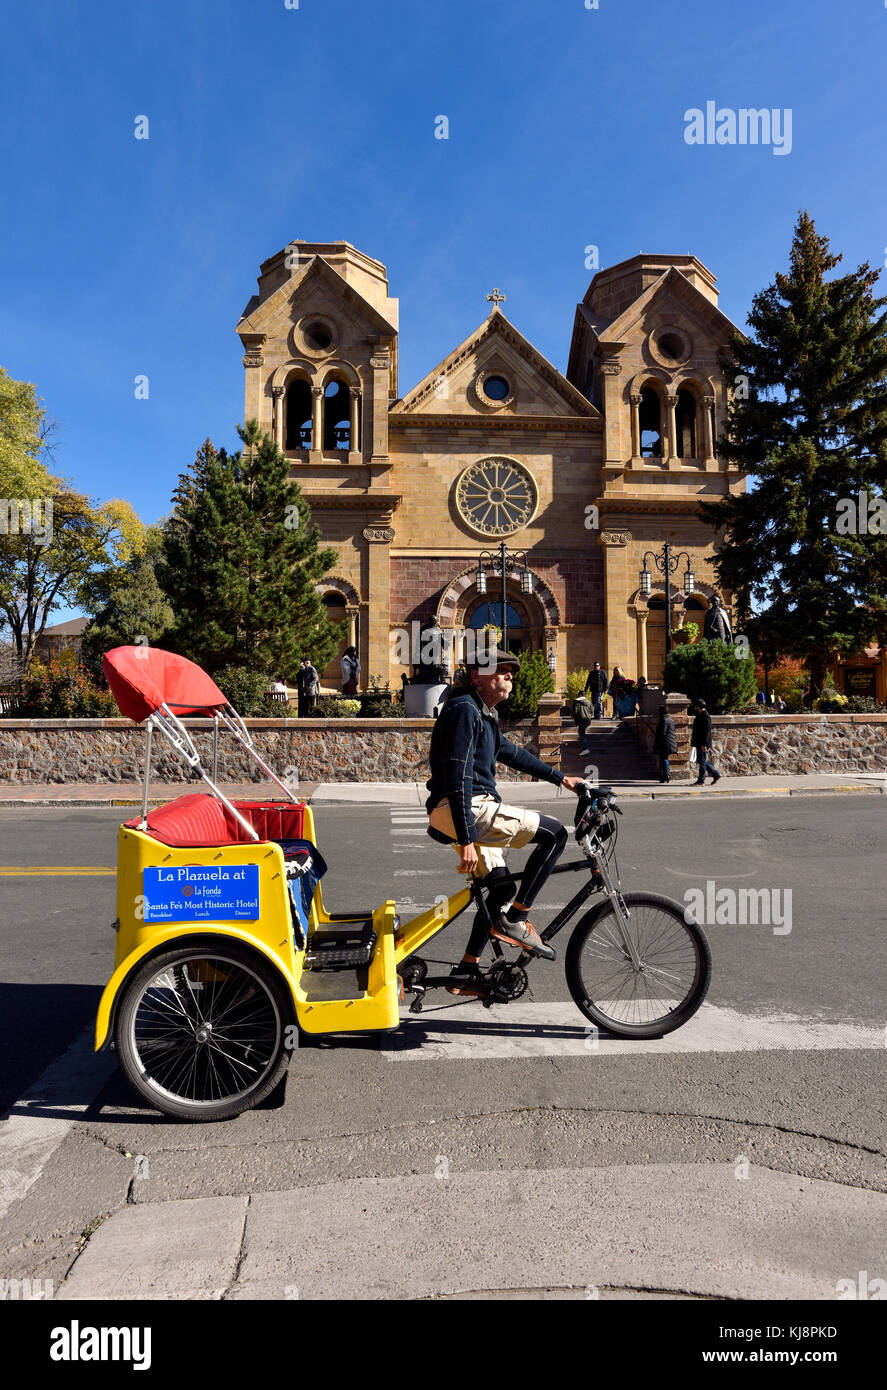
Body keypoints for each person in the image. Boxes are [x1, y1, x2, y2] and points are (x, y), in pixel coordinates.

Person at [425, 648, 584, 994]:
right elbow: (458, 775)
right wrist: (467, 839)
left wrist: (561, 779)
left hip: (463, 808)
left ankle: (466, 972)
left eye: (511, 670)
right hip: (465, 806)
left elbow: (512, 754)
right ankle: (516, 919)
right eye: (501, 670)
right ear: (477, 677)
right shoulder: (464, 710)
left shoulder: (483, 713)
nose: (509, 675)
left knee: (501, 887)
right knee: (555, 835)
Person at [690, 697, 720, 786]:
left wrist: (704, 744)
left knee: (702, 761)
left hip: (702, 743)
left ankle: (701, 781)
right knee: (700, 760)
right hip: (699, 742)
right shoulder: (700, 714)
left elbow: (706, 731)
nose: (694, 707)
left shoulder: (705, 715)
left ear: (698, 706)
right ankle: (715, 774)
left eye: (696, 705)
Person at [652, 704, 677, 783]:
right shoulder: (671, 719)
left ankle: (666, 774)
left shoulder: (664, 720)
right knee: (664, 759)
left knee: (664, 758)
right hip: (670, 742)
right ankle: (663, 776)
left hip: (665, 743)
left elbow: (663, 732)